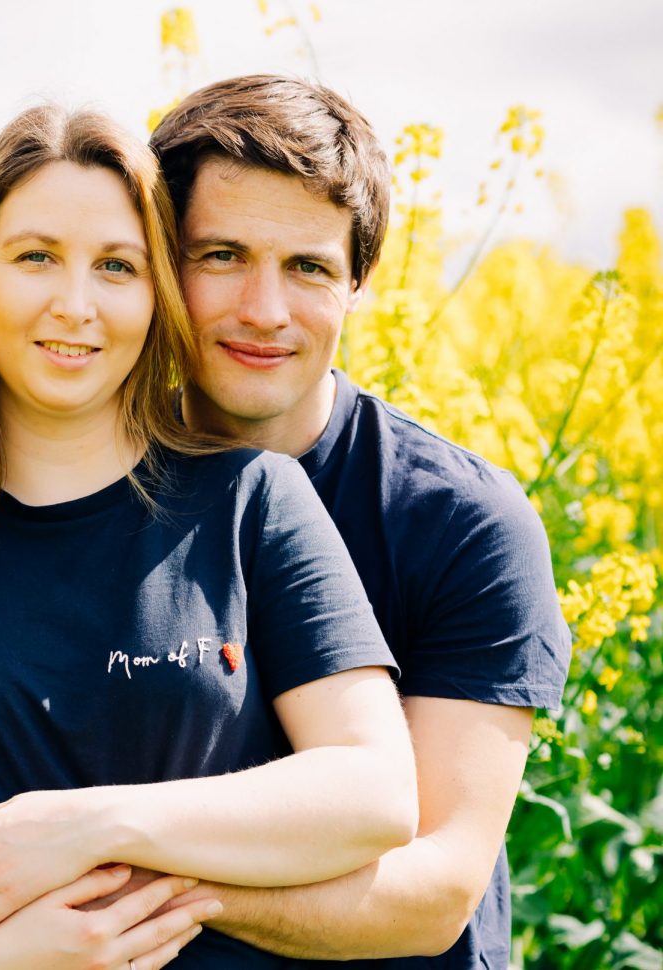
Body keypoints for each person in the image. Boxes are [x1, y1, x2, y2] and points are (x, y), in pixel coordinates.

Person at [0, 104, 418, 969]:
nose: (76, 305)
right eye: (34, 257)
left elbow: (372, 794)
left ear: (156, 296)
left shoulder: (252, 499)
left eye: (116, 266)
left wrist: (91, 828)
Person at [137, 75, 571, 968]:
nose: (265, 310)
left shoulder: (464, 522)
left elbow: (434, 892)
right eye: (220, 255)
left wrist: (122, 866)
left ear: (359, 282)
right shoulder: (82, 486)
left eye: (308, 267)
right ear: (158, 262)